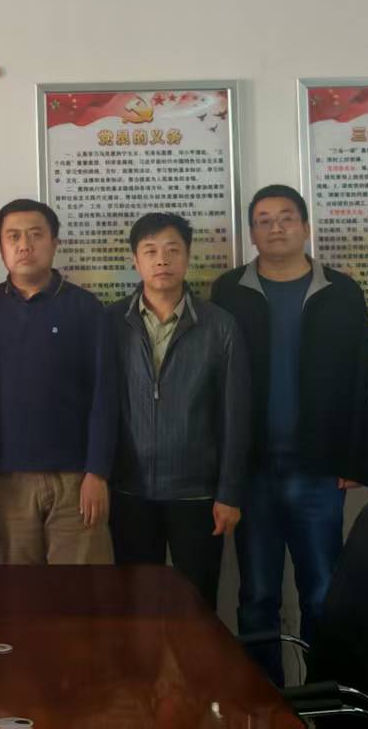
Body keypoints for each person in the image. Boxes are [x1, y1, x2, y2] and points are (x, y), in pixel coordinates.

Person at [211, 184, 368, 682]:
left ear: (305, 226)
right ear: (251, 232)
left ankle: (323, 699)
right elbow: (214, 381)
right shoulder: (229, 291)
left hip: (318, 467)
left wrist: (354, 457)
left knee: (322, 592)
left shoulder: (341, 291)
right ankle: (266, 702)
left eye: (286, 217)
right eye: (264, 220)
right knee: (257, 594)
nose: (276, 227)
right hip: (253, 469)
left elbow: (361, 376)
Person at [108, 212, 250, 607]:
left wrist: (229, 492)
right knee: (135, 602)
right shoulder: (111, 323)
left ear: (188, 256)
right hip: (129, 490)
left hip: (197, 493)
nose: (162, 260)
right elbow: (100, 407)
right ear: (135, 260)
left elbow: (236, 415)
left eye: (173, 250)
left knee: (197, 603)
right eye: (150, 251)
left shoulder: (220, 326)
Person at [0, 198, 117, 565]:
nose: (25, 245)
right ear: (0, 248)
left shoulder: (86, 308)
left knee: (79, 589)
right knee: (22, 590)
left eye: (36, 235)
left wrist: (97, 472)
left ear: (54, 243)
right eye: (14, 237)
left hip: (76, 479)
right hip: (9, 479)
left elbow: (105, 395)